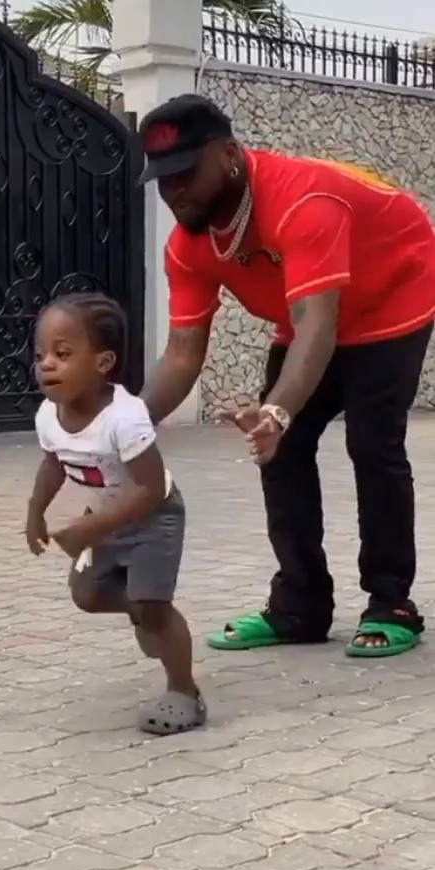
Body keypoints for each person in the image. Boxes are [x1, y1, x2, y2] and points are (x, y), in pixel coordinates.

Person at [138, 94, 435, 658]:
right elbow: (180, 355)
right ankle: (299, 606)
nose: (174, 191)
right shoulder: (189, 246)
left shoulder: (303, 202)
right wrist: (121, 424)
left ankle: (391, 601)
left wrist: (278, 410)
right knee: (278, 449)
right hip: (308, 313)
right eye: (162, 179)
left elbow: (317, 327)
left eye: (185, 174)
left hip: (392, 295)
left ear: (229, 155)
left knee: (372, 442)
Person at [25, 292, 206, 734]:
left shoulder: (125, 418)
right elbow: (54, 463)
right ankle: (143, 609)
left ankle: (185, 692)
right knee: (86, 594)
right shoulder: (49, 414)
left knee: (155, 607)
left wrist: (92, 528)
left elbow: (150, 488)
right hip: (105, 516)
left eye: (62, 354)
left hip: (154, 517)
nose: (46, 364)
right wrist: (35, 511)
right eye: (40, 354)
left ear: (102, 362)